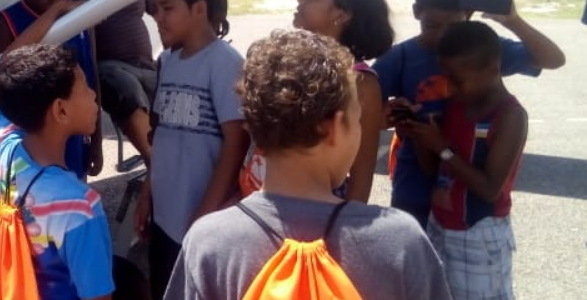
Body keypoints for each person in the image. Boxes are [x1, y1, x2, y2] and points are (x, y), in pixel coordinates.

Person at [163, 29, 452, 300]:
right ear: (334, 128)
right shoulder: (399, 242)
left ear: (252, 125)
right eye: (359, 119)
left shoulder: (210, 242)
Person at [372, 0, 564, 227]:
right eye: (432, 25)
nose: (442, 35)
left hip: (467, 195)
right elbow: (364, 113)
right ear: (417, 12)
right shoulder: (400, 59)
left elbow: (553, 60)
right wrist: (389, 116)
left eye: (453, 25)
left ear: (469, 16)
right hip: (414, 188)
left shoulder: (478, 50)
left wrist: (513, 21)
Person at [135, 0, 248, 299]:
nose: (158, 17)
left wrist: (207, 213)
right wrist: (146, 193)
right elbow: (160, 136)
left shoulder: (224, 62)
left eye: (167, 7)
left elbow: (236, 143)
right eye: (155, 9)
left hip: (200, 219)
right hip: (165, 218)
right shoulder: (167, 61)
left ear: (199, 8)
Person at [400, 21, 527, 300]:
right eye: (446, 77)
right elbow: (432, 169)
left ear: (492, 71)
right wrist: (420, 134)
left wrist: (442, 147)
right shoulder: (455, 106)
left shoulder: (510, 116)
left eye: (458, 80)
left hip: (479, 233)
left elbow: (490, 188)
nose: (450, 87)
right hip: (440, 223)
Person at [0, 43, 114, 300]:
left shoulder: (3, 147)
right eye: (85, 86)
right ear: (61, 110)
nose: (93, 95)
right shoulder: (79, 206)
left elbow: (9, 71)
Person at [0, 0, 103, 179]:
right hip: (31, 140)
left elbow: (92, 77)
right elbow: (1, 69)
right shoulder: (8, 22)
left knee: (74, 196)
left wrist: (96, 140)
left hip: (74, 135)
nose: (42, 0)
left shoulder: (81, 16)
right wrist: (57, 10)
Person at [289, 0, 394, 202]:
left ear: (341, 15)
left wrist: (342, 233)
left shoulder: (362, 85)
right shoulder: (288, 64)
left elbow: (361, 176)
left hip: (318, 216)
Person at [63, 0, 156, 172]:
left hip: (145, 66)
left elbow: (162, 11)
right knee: (126, 88)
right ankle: (155, 163)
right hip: (103, 68)